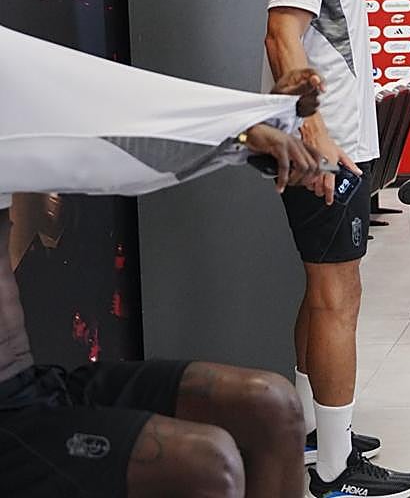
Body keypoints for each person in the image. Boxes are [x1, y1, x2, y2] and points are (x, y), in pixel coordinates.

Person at [0, 26, 331, 498]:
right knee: (207, 464)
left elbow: (93, 117)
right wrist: (241, 124)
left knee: (272, 404)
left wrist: (251, 122)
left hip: (31, 389)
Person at [263, 0, 410, 498]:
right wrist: (315, 129)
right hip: (321, 149)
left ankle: (312, 432)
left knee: (323, 291)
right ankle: (333, 472)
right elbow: (281, 35)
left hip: (332, 143)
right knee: (338, 298)